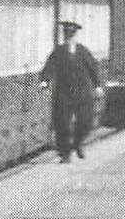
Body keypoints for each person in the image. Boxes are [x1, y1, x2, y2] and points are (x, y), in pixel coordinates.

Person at [39, 20, 103, 162]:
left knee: (85, 122)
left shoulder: (83, 51)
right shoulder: (59, 51)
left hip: (83, 93)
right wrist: (44, 81)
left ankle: (77, 143)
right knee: (62, 124)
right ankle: (65, 154)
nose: (69, 37)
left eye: (72, 34)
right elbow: (49, 67)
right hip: (64, 93)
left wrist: (97, 86)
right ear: (64, 36)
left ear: (76, 35)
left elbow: (93, 68)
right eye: (67, 34)